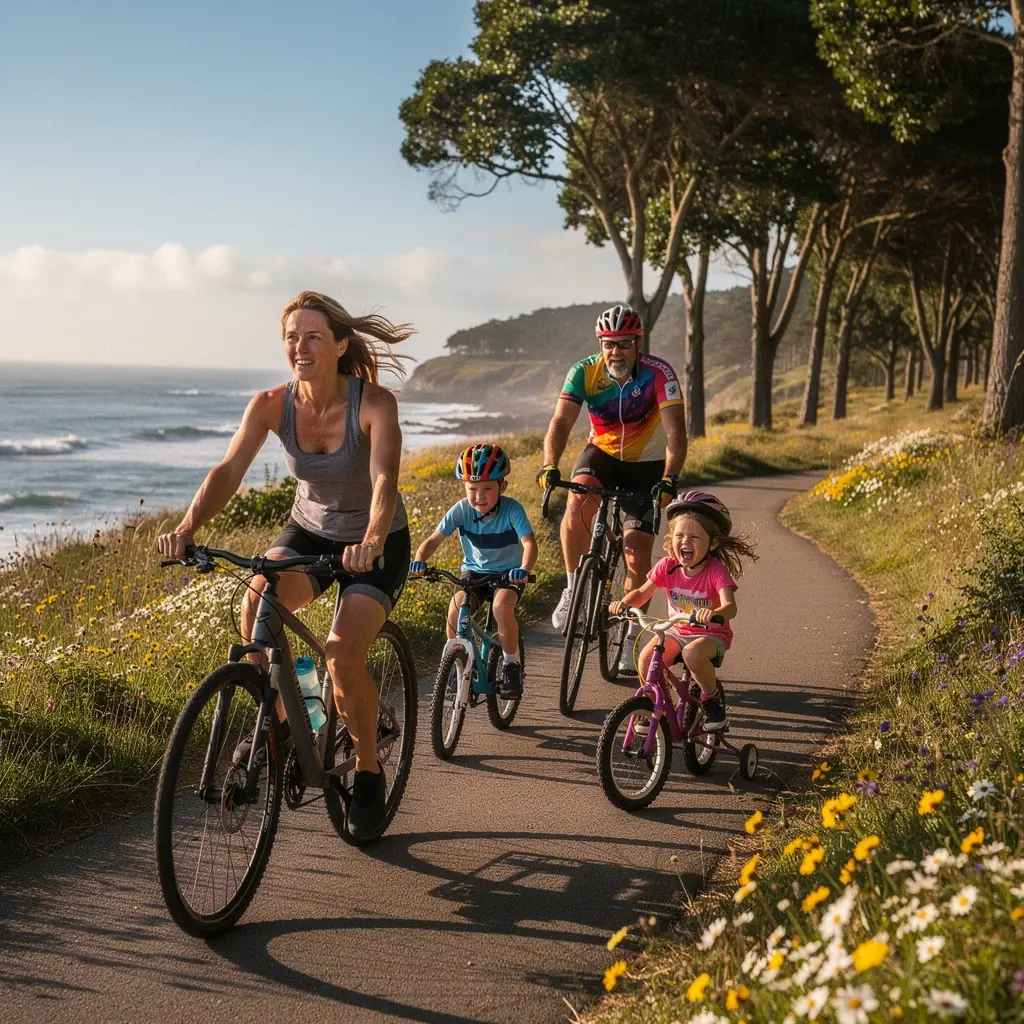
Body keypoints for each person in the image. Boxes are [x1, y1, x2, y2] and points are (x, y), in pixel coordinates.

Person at [156, 289, 412, 839]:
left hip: (374, 540)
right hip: (311, 529)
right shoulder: (271, 404)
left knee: (343, 656)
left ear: (341, 345)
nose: (300, 346)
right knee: (257, 605)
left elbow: (385, 479)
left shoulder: (374, 404)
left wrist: (369, 537)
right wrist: (187, 528)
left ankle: (367, 772)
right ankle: (289, 720)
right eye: (292, 337)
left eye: (313, 336)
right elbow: (228, 471)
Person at [536, 303, 687, 673]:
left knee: (636, 551)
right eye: (608, 344)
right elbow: (561, 422)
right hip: (602, 454)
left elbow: (675, 433)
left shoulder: (658, 374)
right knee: (577, 499)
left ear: (638, 342)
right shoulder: (584, 372)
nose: (615, 352)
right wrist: (549, 464)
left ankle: (630, 636)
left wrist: (669, 477)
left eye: (622, 344)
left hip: (647, 467)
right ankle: (573, 588)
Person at [609, 491, 758, 730]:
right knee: (646, 658)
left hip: (711, 635)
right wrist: (625, 603)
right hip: (677, 632)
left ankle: (711, 701)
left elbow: (730, 607)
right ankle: (654, 704)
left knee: (692, 654)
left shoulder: (715, 570)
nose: (685, 542)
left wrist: (714, 613)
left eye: (695, 537)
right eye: (679, 535)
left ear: (713, 543)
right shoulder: (667, 566)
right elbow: (642, 592)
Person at [409, 443, 537, 699]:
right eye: (473, 489)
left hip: (509, 574)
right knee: (455, 612)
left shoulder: (512, 510)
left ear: (503, 487)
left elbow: (529, 543)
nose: (479, 496)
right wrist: (419, 560)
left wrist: (524, 568)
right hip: (474, 573)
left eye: (488, 488)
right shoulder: (461, 510)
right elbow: (434, 539)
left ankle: (512, 665)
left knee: (501, 608)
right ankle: (458, 665)